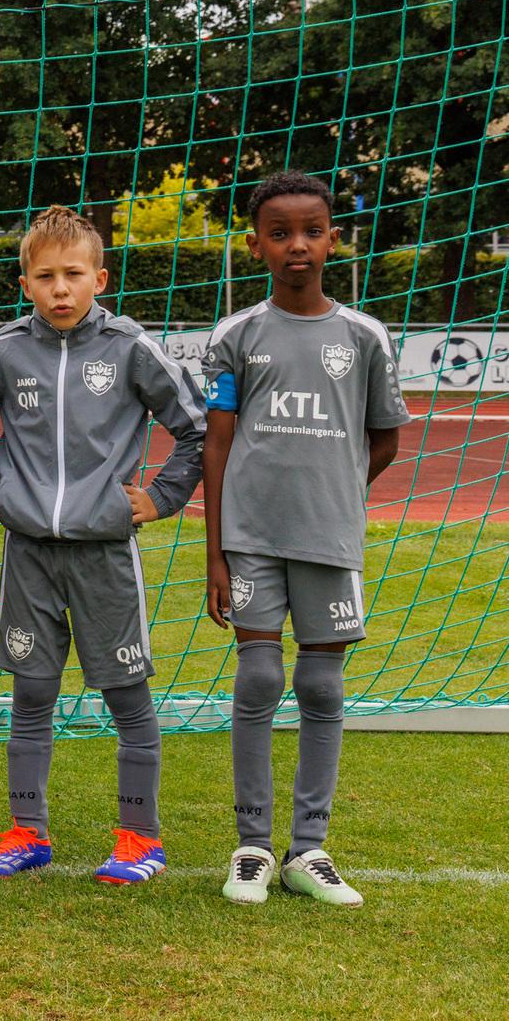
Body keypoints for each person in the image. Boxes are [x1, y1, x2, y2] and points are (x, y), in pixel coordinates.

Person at [0, 206, 205, 884]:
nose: (59, 289)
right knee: (31, 691)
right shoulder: (5, 351)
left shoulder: (129, 346)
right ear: (24, 284)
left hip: (104, 553)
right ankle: (25, 831)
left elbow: (195, 430)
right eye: (45, 276)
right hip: (29, 553)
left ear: (99, 277)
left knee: (125, 695)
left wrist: (158, 498)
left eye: (73, 274)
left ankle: (139, 838)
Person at [203, 172, 409, 908]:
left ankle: (308, 848)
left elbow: (380, 438)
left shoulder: (362, 337)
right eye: (279, 232)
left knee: (320, 685)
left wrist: (335, 487)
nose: (297, 245)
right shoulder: (236, 336)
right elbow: (217, 447)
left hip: (329, 539)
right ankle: (253, 846)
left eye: (311, 230)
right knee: (258, 678)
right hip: (251, 537)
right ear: (255, 244)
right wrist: (216, 552)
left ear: (332, 238)